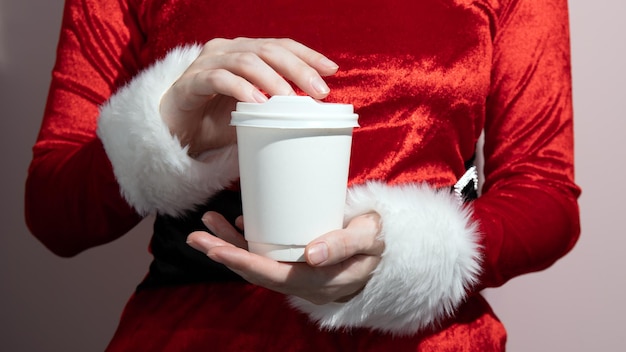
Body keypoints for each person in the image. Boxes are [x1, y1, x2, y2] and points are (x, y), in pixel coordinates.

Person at [25, 0, 581, 350]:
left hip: (421, 337)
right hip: (193, 331)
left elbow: (546, 193)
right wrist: (167, 125)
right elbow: (53, 210)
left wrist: (409, 253)